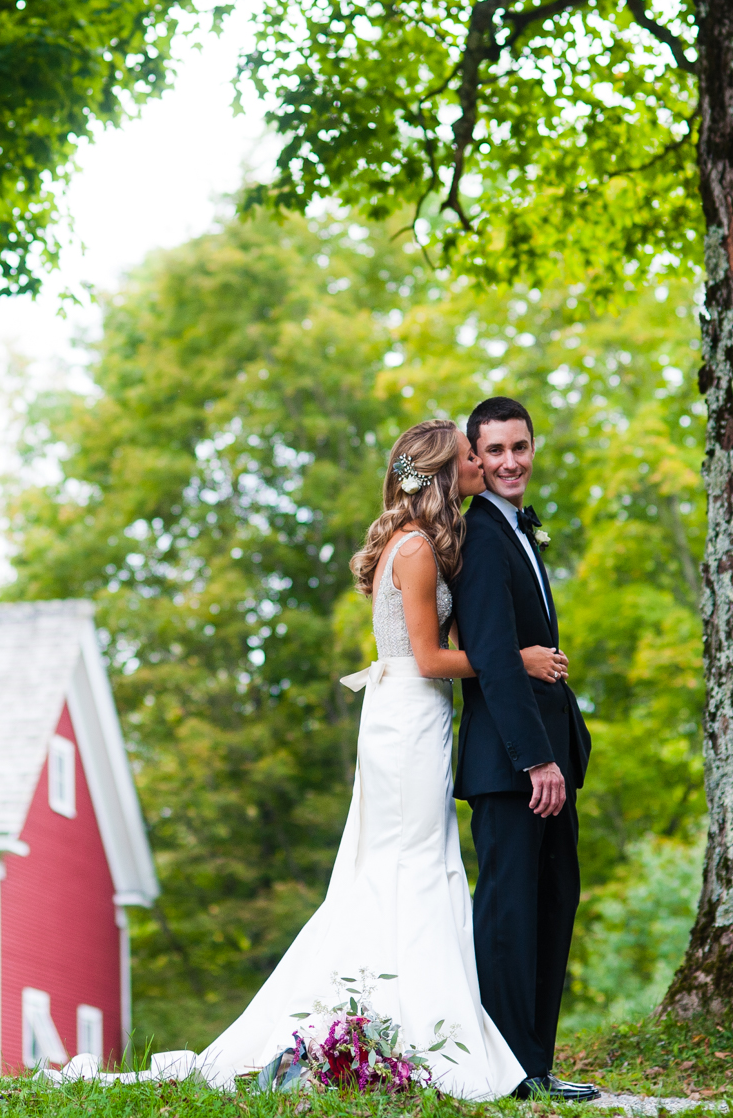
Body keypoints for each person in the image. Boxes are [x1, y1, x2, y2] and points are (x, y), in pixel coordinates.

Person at [181, 419, 569, 1098]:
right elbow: (428, 658)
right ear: (450, 472)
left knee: (408, 864)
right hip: (408, 717)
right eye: (472, 457)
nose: (485, 464)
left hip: (410, 713)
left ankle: (402, 1018)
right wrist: (518, 660)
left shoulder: (420, 541)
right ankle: (407, 1025)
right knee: (412, 866)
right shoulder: (417, 548)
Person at [452, 396, 596, 1102]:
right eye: (495, 450)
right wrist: (535, 759)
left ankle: (534, 1064)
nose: (510, 461)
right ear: (474, 458)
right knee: (511, 912)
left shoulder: (516, 530)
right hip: (514, 764)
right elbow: (491, 657)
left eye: (520, 446)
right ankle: (506, 1069)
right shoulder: (480, 538)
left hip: (549, 758)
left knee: (552, 903)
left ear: (533, 447)